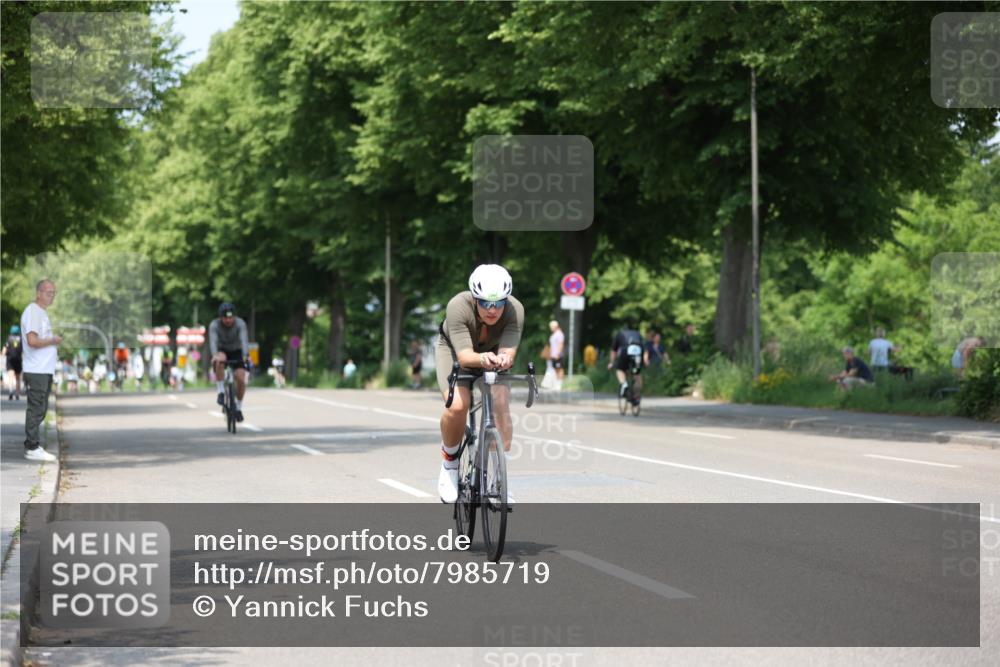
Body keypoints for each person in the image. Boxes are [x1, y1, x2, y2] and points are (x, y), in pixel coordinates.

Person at [436, 264, 523, 504]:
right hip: (455, 352)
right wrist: (483, 359)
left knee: (501, 403)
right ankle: (449, 463)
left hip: (492, 356)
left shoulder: (515, 310)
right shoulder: (457, 306)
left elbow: (508, 351)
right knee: (457, 405)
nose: (492, 309)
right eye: (485, 303)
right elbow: (465, 357)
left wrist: (505, 358)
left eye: (499, 303)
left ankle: (498, 477)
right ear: (475, 298)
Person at [19, 280, 61, 462]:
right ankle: (32, 447)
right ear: (38, 293)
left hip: (43, 369)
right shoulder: (33, 312)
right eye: (48, 292)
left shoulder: (41, 313)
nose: (51, 296)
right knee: (36, 408)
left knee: (41, 408)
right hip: (36, 369)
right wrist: (52, 340)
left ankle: (33, 445)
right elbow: (32, 341)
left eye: (54, 293)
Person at [209, 302, 250, 421]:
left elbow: (244, 340)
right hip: (222, 350)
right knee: (220, 359)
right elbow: (213, 342)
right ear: (220, 317)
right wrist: (215, 355)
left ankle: (239, 407)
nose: (228, 320)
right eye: (225, 318)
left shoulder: (240, 323)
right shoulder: (214, 325)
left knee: (241, 378)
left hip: (236, 350)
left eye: (231, 317)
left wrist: (245, 356)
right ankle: (221, 391)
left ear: (234, 316)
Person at [608, 323, 646, 404]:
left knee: (620, 369)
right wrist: (644, 362)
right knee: (637, 373)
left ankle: (624, 385)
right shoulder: (637, 333)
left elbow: (614, 351)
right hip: (638, 351)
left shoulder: (620, 333)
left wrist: (611, 362)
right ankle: (637, 396)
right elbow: (644, 348)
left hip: (626, 350)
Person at [4, 325, 24, 400]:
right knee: (18, 378)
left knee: (10, 376)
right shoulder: (21, 340)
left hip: (10, 360)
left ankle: (11, 391)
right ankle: (17, 394)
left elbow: (4, 350)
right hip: (18, 360)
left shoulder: (8, 339)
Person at [548, 320, 565, 386]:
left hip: (557, 355)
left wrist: (558, 353)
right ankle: (557, 382)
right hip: (553, 355)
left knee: (559, 368)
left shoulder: (559, 334)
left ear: (555, 326)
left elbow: (561, 344)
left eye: (551, 327)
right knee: (555, 368)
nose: (550, 328)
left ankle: (560, 383)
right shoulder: (554, 334)